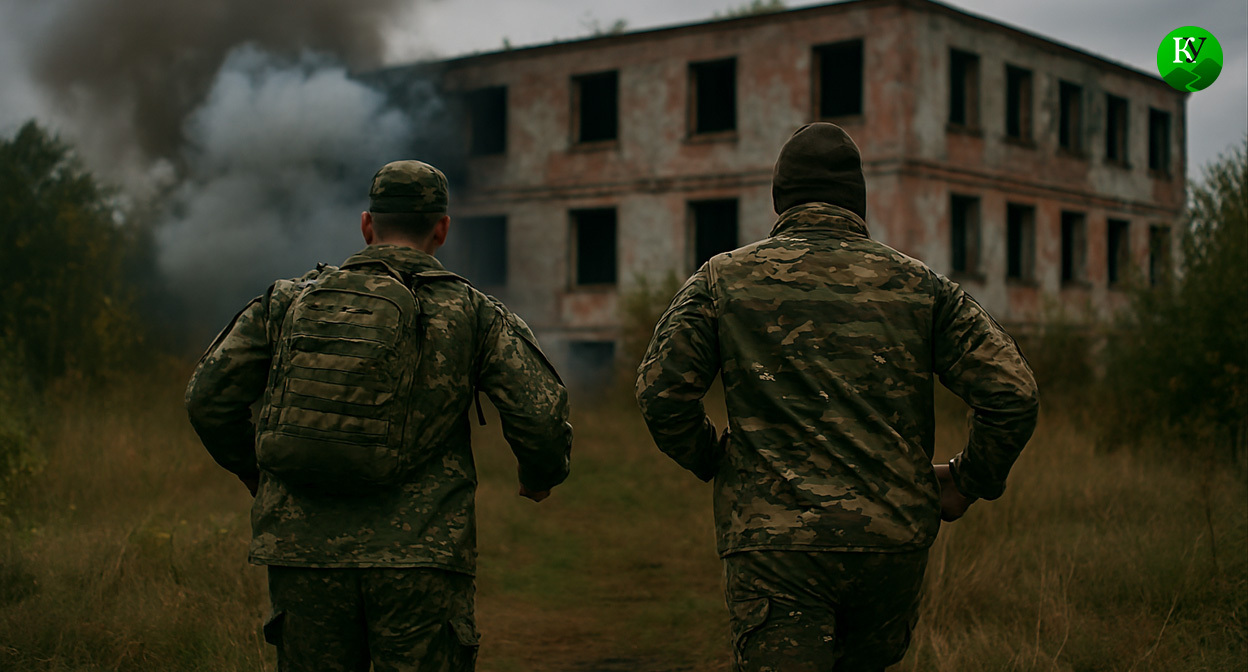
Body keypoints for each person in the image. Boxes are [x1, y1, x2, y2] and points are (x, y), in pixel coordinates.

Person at [635, 123, 1039, 671]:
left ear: (780, 198)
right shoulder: (921, 286)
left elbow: (661, 391)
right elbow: (1013, 392)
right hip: (890, 545)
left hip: (775, 549)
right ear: (858, 199)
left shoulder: (722, 280)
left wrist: (715, 459)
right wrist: (969, 481)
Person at [185, 160, 573, 672]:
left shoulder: (289, 301)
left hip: (304, 552)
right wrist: (540, 476)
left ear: (367, 225)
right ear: (442, 229)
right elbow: (540, 413)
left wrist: (254, 469)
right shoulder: (473, 311)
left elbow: (207, 397)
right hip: (421, 554)